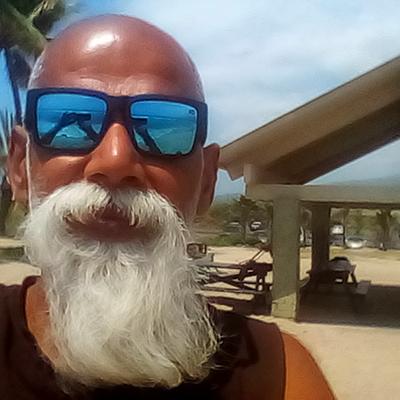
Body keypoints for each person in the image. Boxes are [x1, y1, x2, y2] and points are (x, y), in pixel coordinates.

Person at [3, 15, 335, 399]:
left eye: (162, 129)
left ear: (206, 182)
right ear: (19, 169)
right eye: (70, 122)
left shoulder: (281, 376)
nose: (115, 161)